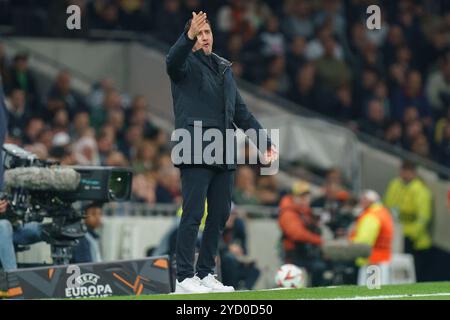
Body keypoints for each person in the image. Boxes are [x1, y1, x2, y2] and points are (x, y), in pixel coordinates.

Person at [166, 11, 278, 293]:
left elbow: (241, 112)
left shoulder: (223, 68)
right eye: (199, 34)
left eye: (207, 33)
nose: (205, 38)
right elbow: (172, 60)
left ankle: (205, 274)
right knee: (193, 213)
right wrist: (187, 35)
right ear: (191, 38)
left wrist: (263, 142)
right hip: (195, 148)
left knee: (218, 216)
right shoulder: (184, 65)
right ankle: (183, 278)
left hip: (224, 151)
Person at [384, 160, 432, 282]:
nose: (405, 174)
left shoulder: (421, 190)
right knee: (396, 271)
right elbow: (388, 206)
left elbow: (423, 217)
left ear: (414, 173)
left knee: (413, 274)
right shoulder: (395, 185)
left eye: (408, 171)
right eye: (403, 170)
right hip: (396, 236)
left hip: (416, 241)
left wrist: (410, 235)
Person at [278, 180, 326, 286]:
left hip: (307, 254)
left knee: (323, 266)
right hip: (295, 256)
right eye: (301, 196)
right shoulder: (288, 213)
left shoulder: (305, 212)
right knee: (318, 268)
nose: (305, 199)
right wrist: (318, 240)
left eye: (306, 196)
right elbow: (296, 234)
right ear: (293, 197)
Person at [350, 190, 393, 285]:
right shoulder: (382, 212)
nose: (361, 202)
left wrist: (350, 244)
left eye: (364, 199)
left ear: (370, 201)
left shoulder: (372, 216)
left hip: (372, 261)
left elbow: (364, 242)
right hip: (381, 259)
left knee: (371, 292)